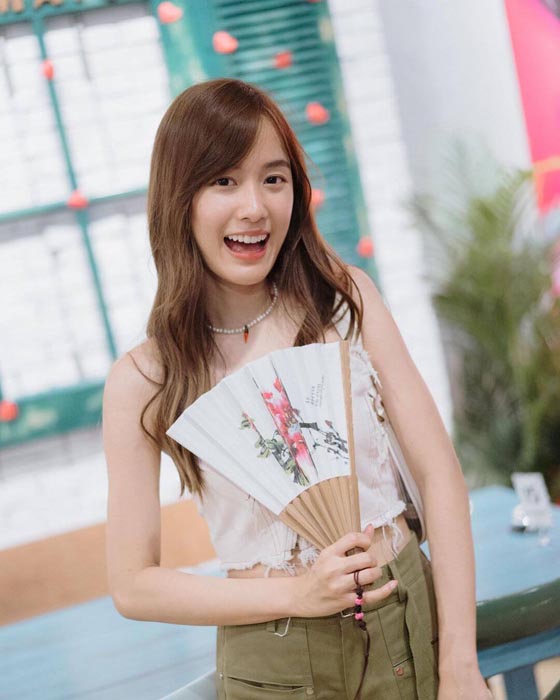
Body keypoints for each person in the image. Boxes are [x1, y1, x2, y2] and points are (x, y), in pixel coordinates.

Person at [102, 78, 492, 699]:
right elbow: (132, 585)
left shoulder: (346, 302)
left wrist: (461, 665)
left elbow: (439, 475)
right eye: (223, 180)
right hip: (276, 658)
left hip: (411, 620)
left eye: (273, 178)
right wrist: (298, 593)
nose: (254, 207)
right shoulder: (145, 378)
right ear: (179, 199)